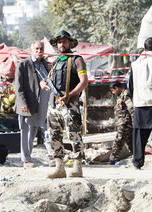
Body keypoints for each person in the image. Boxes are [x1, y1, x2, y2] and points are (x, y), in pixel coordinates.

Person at [41, 30, 88, 178]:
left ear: (70, 43)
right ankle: (59, 167)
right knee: (54, 135)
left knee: (74, 134)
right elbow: (47, 79)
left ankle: (77, 167)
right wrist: (43, 83)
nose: (62, 44)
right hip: (54, 104)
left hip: (70, 103)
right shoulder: (56, 62)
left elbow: (84, 82)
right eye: (59, 42)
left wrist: (70, 95)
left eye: (65, 41)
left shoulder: (77, 59)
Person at [15, 41, 53, 168]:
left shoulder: (44, 64)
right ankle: (26, 159)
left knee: (44, 128)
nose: (38, 51)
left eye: (41, 49)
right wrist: (23, 103)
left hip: (42, 104)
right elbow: (19, 87)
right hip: (27, 103)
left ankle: (52, 155)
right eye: (36, 48)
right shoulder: (24, 64)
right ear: (31, 49)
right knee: (26, 131)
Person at [129, 37, 152, 169]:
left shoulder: (136, 64)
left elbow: (130, 86)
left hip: (141, 103)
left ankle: (138, 162)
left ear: (144, 48)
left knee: (139, 134)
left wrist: (134, 97)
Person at [109, 81, 133, 165]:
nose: (113, 93)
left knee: (119, 140)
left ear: (117, 88)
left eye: (112, 90)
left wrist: (134, 121)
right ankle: (137, 157)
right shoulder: (120, 96)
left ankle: (112, 160)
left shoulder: (125, 95)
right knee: (130, 142)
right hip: (123, 122)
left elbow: (131, 108)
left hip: (125, 123)